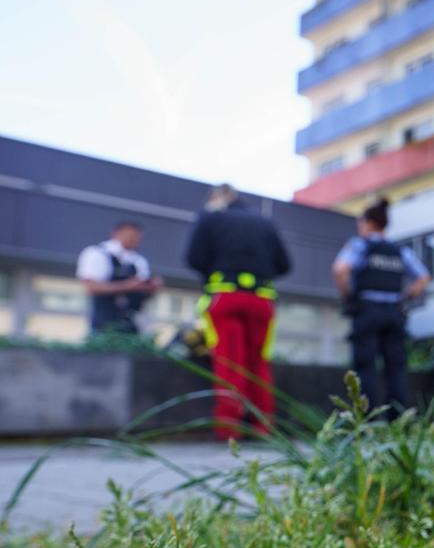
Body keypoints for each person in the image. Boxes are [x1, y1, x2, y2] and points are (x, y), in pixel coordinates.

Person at [185, 184, 293, 440]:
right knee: (259, 362)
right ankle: (263, 426)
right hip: (262, 299)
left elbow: (193, 258)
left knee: (228, 361)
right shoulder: (266, 224)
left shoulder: (210, 218)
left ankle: (229, 429)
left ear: (216, 198)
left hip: (225, 297)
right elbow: (284, 264)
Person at [333, 198, 429, 416]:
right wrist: (406, 296)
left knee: (365, 366)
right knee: (396, 368)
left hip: (367, 311)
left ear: (368, 223)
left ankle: (364, 419)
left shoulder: (360, 245)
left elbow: (340, 270)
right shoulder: (399, 251)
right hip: (394, 313)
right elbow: (423, 277)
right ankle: (397, 420)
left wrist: (349, 295)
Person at [77, 221, 161, 336]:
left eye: (137, 237)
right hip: (103, 324)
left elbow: (143, 294)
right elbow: (91, 287)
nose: (135, 240)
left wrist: (150, 288)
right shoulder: (97, 253)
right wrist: (127, 286)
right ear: (116, 234)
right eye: (131, 236)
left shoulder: (138, 260)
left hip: (132, 325)